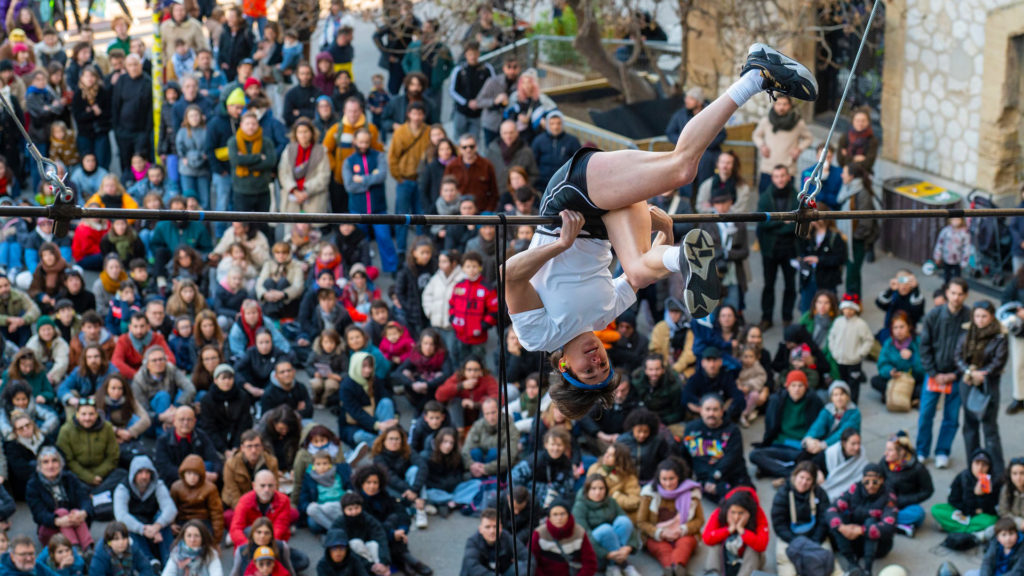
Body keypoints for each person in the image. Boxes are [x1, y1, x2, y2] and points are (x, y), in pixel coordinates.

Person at [505, 44, 817, 420]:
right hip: (603, 226)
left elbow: (510, 277)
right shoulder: (604, 316)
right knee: (644, 255)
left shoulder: (538, 337)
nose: (597, 360)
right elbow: (638, 278)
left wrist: (560, 245)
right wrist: (666, 231)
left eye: (589, 369)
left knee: (679, 169)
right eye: (603, 366)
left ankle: (756, 73)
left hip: (569, 201)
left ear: (564, 369)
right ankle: (681, 256)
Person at [918, 278, 971, 469]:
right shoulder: (933, 315)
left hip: (956, 376)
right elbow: (924, 346)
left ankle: (942, 451)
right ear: (947, 293)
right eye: (953, 293)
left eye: (960, 294)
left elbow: (971, 350)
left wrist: (956, 374)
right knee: (926, 414)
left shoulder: (969, 317)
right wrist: (933, 372)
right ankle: (922, 450)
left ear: (965, 295)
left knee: (952, 417)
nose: (956, 297)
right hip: (934, 374)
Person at [958, 300, 1008, 478]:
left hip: (988, 386)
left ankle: (998, 473)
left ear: (991, 316)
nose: (979, 320)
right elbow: (958, 356)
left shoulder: (1000, 336)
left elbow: (998, 361)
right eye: (977, 316)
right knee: (969, 428)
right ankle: (974, 468)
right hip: (968, 383)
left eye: (984, 316)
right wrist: (969, 372)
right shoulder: (967, 332)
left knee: (990, 430)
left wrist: (981, 373)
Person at [748, 370, 823, 479]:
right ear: (787, 387)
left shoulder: (814, 401)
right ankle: (792, 473)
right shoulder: (777, 400)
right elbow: (770, 428)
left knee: (815, 459)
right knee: (754, 455)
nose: (796, 389)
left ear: (806, 387)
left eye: (800, 385)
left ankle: (778, 471)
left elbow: (819, 428)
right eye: (793, 385)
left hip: (800, 449)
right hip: (780, 445)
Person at [826, 463, 898, 576]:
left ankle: (868, 570)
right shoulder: (855, 489)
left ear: (882, 480)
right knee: (837, 522)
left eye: (875, 482)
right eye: (867, 481)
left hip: (878, 545)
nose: (870, 485)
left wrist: (862, 530)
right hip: (853, 538)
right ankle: (852, 564)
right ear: (862, 479)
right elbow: (832, 509)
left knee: (871, 522)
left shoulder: (889, 497)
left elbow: (889, 526)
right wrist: (842, 527)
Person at [771, 462, 840, 576]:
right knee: (787, 567)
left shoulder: (820, 493)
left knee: (829, 563)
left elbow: (824, 520)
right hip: (789, 538)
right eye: (801, 477)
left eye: (808, 479)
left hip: (815, 537)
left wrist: (814, 541)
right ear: (795, 476)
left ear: (813, 481)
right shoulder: (782, 493)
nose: (804, 482)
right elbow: (778, 523)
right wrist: (798, 543)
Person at [636, 458, 702, 576]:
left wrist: (682, 530)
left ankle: (679, 568)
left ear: (679, 477)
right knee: (663, 549)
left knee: (685, 545)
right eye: (664, 479)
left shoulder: (692, 493)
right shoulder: (649, 494)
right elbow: (641, 522)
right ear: (658, 479)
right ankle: (669, 570)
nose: (668, 483)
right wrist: (660, 533)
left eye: (672, 478)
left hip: (683, 533)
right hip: (656, 535)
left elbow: (699, 520)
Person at [755, 164, 799, 329]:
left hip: (790, 249)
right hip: (770, 250)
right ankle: (767, 317)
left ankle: (786, 318)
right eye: (777, 176)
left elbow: (796, 225)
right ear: (772, 178)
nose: (780, 179)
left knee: (790, 285)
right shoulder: (765, 197)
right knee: (768, 285)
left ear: (788, 177)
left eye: (783, 176)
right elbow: (762, 224)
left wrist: (776, 224)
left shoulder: (796, 197)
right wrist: (784, 222)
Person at [682, 394, 751, 501]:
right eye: (707, 409)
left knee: (742, 501)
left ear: (722, 411)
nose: (711, 413)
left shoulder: (733, 431)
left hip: (730, 475)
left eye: (715, 410)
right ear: (700, 410)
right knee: (727, 503)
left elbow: (731, 458)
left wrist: (714, 478)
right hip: (705, 479)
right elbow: (686, 455)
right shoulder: (691, 429)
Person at [113, 455, 178, 566]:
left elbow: (170, 509)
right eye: (140, 472)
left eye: (147, 472)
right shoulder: (122, 488)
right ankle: (149, 562)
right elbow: (121, 515)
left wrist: (157, 526)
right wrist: (143, 529)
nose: (144, 476)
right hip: (137, 527)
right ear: (133, 474)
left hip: (155, 524)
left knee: (163, 519)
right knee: (126, 525)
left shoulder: (158, 485)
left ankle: (169, 561)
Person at [25, 447, 94, 548]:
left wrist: (82, 513)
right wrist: (58, 521)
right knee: (62, 512)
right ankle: (74, 549)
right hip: (50, 528)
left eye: (54, 460)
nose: (51, 466)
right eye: (45, 462)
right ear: (39, 466)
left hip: (75, 523)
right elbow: (39, 514)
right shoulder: (33, 485)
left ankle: (87, 550)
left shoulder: (70, 478)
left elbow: (85, 499)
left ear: (60, 463)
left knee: (75, 511)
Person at [55, 398, 122, 491]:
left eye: (91, 414)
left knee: (121, 474)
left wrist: (97, 475)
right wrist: (88, 477)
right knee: (66, 479)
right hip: (78, 475)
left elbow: (113, 456)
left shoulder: (107, 427)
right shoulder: (66, 430)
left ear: (97, 414)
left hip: (102, 474)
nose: (87, 418)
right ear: (77, 414)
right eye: (83, 414)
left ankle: (93, 493)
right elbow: (68, 460)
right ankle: (96, 493)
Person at [701, 487, 770, 576]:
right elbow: (707, 538)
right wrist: (729, 530)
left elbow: (762, 545)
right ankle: (713, 574)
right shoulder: (720, 512)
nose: (736, 517)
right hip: (726, 558)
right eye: (733, 512)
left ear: (748, 512)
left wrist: (742, 530)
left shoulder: (758, 514)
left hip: (749, 562)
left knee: (753, 549)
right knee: (715, 544)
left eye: (741, 513)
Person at [751, 94, 812, 192]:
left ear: (790, 106)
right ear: (774, 105)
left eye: (785, 104)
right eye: (778, 104)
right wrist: (762, 146)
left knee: (786, 204)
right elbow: (756, 135)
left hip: (788, 170)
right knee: (765, 202)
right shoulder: (766, 121)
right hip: (768, 169)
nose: (781, 107)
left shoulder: (798, 123)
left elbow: (808, 138)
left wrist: (799, 149)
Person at [932, 449, 1001, 536]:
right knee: (936, 509)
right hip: (963, 513)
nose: (980, 468)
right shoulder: (962, 477)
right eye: (977, 463)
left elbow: (993, 508)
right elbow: (952, 500)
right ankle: (972, 532)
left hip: (978, 517)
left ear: (989, 467)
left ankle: (951, 527)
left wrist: (981, 496)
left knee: (992, 520)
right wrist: (970, 510)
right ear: (971, 464)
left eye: (984, 465)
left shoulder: (994, 482)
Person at [881, 431, 933, 537]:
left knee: (918, 514)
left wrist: (902, 500)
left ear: (902, 452)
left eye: (890, 450)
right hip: (885, 502)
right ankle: (899, 526)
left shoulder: (918, 469)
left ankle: (882, 521)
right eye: (886, 449)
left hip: (904, 506)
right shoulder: (885, 461)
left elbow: (928, 490)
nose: (885, 453)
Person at [154, 406, 220, 487]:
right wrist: (188, 476)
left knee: (209, 466)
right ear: (174, 421)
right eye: (182, 419)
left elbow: (214, 458)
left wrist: (216, 474)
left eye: (189, 420)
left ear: (195, 421)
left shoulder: (201, 436)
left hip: (199, 479)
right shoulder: (163, 440)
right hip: (174, 482)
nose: (185, 423)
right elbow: (164, 467)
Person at [229, 470, 297, 548]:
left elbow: (280, 528)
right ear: (254, 486)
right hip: (249, 543)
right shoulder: (244, 501)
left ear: (275, 486)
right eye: (262, 486)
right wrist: (248, 546)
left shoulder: (284, 500)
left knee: (303, 559)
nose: (266, 489)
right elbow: (236, 529)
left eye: (270, 485)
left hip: (273, 543)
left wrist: (265, 548)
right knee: (248, 530)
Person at [530, 499, 598, 576]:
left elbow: (590, 563)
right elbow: (531, 562)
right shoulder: (539, 533)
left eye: (562, 514)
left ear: (568, 515)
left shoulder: (579, 532)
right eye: (555, 514)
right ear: (549, 517)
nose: (559, 518)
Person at [169, 455, 224, 543]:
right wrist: (172, 524)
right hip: (183, 521)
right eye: (189, 473)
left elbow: (216, 514)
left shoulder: (210, 488)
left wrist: (216, 539)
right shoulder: (176, 487)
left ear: (201, 475)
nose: (192, 477)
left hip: (204, 521)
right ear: (183, 474)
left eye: (195, 474)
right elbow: (171, 508)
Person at [221, 430, 280, 510]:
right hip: (236, 504)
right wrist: (245, 511)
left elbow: (274, 488)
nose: (253, 450)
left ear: (262, 447)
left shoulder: (271, 462)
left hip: (263, 503)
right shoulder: (231, 464)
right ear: (242, 448)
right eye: (249, 446)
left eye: (257, 446)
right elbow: (233, 493)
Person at [88, 522, 154, 576]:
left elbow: (146, 568)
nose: (121, 542)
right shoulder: (101, 554)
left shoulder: (132, 547)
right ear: (109, 542)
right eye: (116, 539)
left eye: (124, 538)